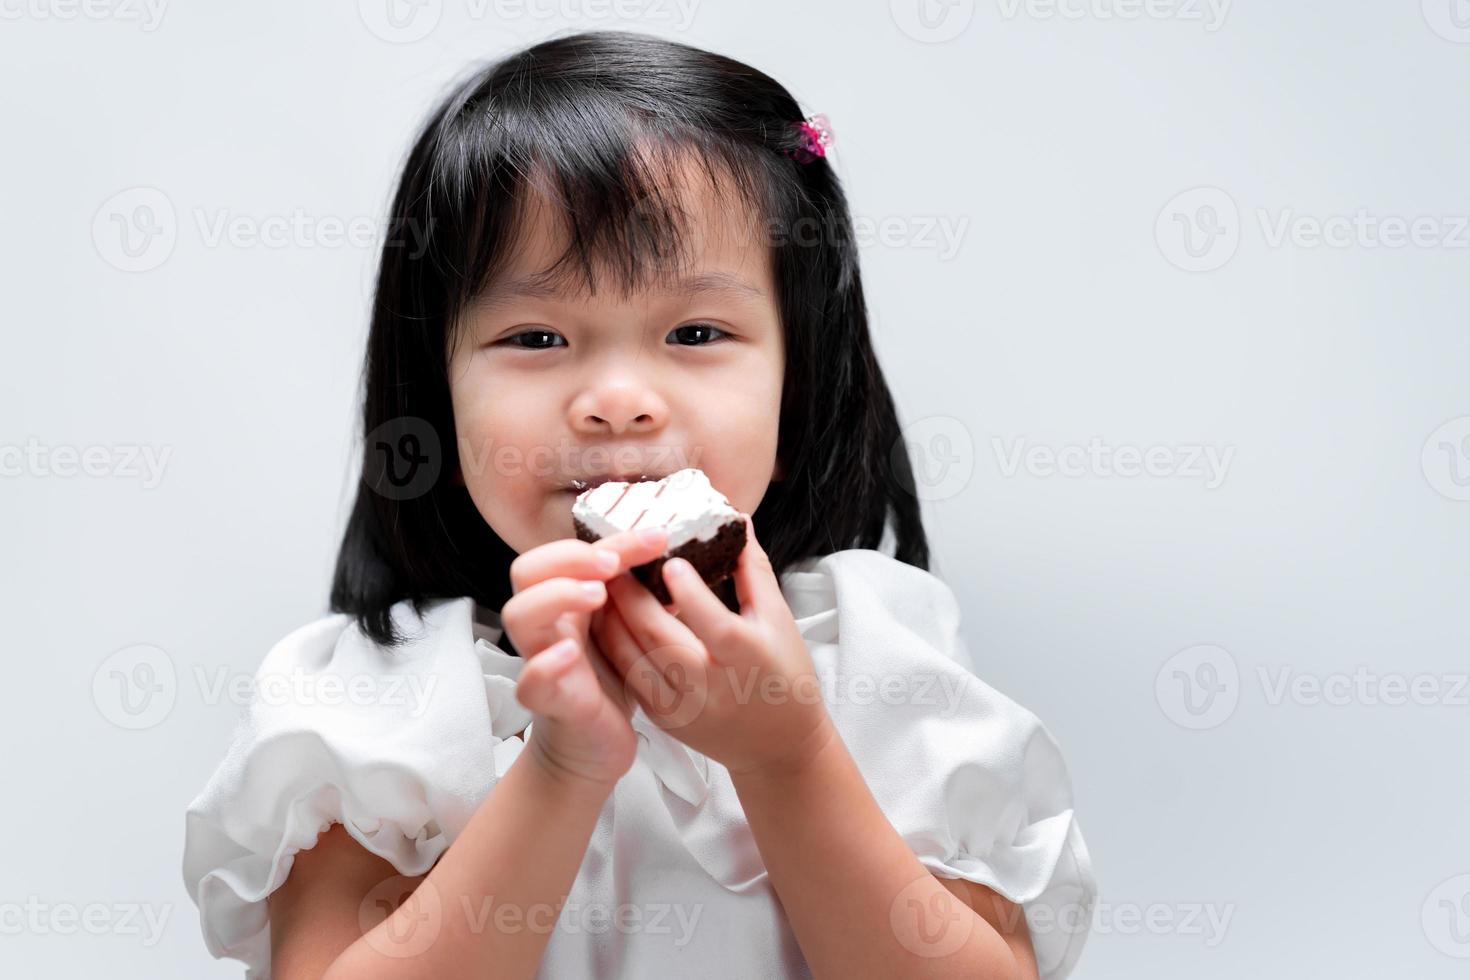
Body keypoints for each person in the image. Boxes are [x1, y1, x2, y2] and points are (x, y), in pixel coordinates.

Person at [181, 29, 1096, 980]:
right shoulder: (369, 696)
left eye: (695, 331)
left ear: (802, 391)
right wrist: (562, 766)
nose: (618, 397)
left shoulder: (879, 649)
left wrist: (788, 757)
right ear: (435, 404)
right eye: (536, 337)